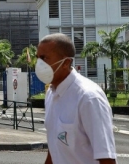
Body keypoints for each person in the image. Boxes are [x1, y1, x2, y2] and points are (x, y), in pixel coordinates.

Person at [36, 33, 117, 164]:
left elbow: (106, 157)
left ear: (66, 62)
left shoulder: (89, 98)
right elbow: (55, 149)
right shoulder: (51, 94)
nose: (39, 64)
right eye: (38, 58)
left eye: (44, 58)